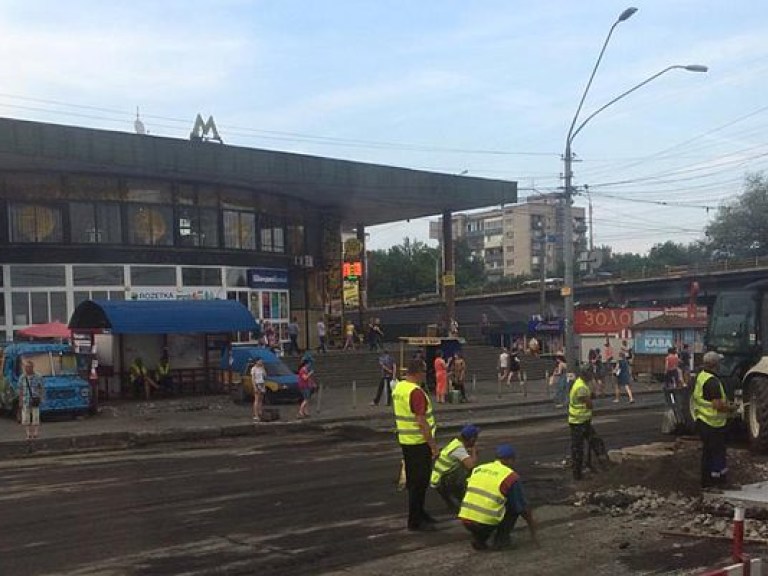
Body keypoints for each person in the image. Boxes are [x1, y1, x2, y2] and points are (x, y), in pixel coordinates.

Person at [458, 444, 538, 551]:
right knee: (512, 508)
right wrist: (532, 526)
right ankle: (501, 542)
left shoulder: (479, 468)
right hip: (485, 522)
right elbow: (522, 507)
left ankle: (480, 539)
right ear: (510, 460)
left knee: (489, 507)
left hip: (466, 519)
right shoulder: (510, 476)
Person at [392, 358, 438, 532]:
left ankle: (420, 513)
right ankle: (415, 520)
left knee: (414, 481)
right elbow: (421, 421)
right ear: (418, 372)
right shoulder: (416, 392)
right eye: (424, 372)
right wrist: (433, 446)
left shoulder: (399, 388)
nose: (425, 375)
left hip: (406, 441)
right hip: (419, 443)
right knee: (420, 482)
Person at [694, 351, 732, 489]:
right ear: (716, 365)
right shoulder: (713, 382)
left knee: (710, 453)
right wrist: (731, 408)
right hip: (712, 424)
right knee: (715, 454)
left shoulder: (702, 376)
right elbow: (717, 405)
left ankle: (715, 481)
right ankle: (713, 483)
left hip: (704, 421)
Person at [430, 424, 479, 512]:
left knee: (458, 469)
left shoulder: (455, 443)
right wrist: (474, 451)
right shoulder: (459, 449)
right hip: (443, 479)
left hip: (437, 477)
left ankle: (451, 502)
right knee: (467, 474)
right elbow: (471, 465)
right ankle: (461, 501)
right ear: (472, 439)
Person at [569, 366, 596, 481]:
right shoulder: (581, 387)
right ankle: (578, 474)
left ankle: (588, 466)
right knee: (578, 448)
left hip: (581, 421)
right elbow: (589, 403)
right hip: (579, 422)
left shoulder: (580, 383)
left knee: (593, 442)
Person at [19, 360, 44, 440]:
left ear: (32, 367)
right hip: (26, 399)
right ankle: (28, 434)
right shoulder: (22, 377)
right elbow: (21, 389)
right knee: (26, 418)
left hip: (35, 399)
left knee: (36, 416)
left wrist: (41, 397)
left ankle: (35, 433)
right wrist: (20, 400)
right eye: (25, 367)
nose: (27, 368)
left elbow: (41, 388)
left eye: (29, 367)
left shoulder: (38, 376)